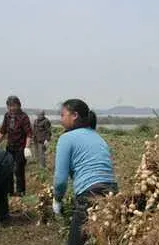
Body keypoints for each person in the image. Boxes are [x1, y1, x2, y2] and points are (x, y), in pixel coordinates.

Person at [53, 99, 117, 245]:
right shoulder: (97, 136)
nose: (60, 119)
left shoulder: (66, 138)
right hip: (112, 192)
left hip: (89, 194)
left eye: (63, 115)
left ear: (74, 115)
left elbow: (60, 179)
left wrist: (57, 200)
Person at [0, 96, 32, 197]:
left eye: (13, 106)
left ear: (18, 105)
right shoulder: (7, 116)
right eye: (9, 106)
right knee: (7, 169)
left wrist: (27, 147)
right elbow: (2, 131)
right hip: (10, 147)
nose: (11, 108)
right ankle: (9, 191)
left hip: (20, 148)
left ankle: (20, 191)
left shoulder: (23, 117)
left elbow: (29, 134)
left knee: (18, 170)